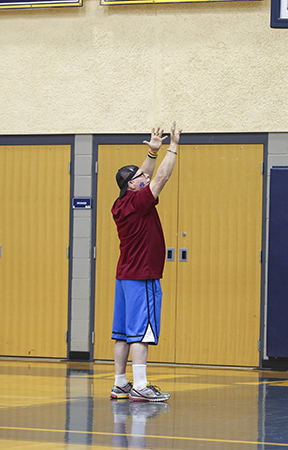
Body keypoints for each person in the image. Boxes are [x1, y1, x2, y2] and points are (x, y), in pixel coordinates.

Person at [109, 122, 181, 403]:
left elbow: (146, 175)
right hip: (142, 276)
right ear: (132, 185)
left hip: (125, 276)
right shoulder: (140, 201)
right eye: (139, 176)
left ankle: (120, 384)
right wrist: (172, 147)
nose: (145, 176)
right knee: (141, 331)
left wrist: (152, 152)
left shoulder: (121, 203)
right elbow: (160, 178)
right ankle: (140, 385)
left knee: (122, 333)